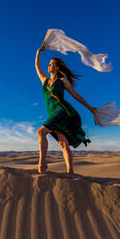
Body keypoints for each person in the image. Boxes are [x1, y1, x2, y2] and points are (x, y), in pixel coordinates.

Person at [35, 43, 97, 175]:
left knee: (40, 132)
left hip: (61, 111)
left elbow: (75, 95)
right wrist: (38, 51)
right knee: (63, 143)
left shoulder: (62, 80)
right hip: (52, 113)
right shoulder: (45, 81)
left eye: (51, 64)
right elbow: (37, 66)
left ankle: (42, 163)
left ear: (57, 68)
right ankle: (70, 172)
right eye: (49, 64)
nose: (48, 66)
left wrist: (89, 107)